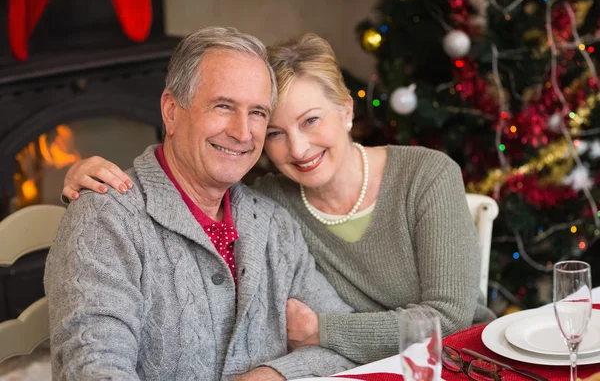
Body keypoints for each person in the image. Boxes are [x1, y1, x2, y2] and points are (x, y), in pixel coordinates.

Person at [61, 32, 496, 365]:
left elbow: (445, 317)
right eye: (275, 132)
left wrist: (302, 349)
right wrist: (88, 180)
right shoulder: (269, 201)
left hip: (461, 359)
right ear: (171, 111)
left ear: (346, 111)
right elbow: (180, 183)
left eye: (257, 115)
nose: (299, 148)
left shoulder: (421, 174)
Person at [45, 27, 358, 381]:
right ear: (171, 111)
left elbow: (342, 340)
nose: (242, 133)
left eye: (257, 113)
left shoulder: (273, 223)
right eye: (223, 106)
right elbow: (93, 371)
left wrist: (272, 375)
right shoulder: (105, 220)